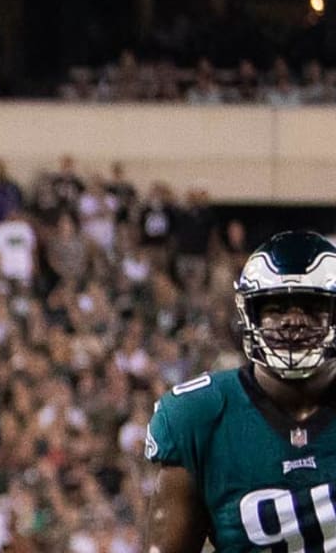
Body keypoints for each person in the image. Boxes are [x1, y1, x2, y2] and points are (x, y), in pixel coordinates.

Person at [144, 230, 336, 551]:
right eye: (275, 308)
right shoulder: (199, 415)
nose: (293, 321)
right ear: (250, 314)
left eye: (312, 306)